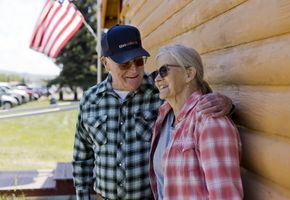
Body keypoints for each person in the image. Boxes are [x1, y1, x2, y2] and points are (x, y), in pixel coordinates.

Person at [72, 24, 233, 200]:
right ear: (105, 63)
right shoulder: (90, 100)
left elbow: (194, 97)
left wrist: (227, 104)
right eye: (124, 64)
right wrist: (82, 195)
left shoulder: (161, 89)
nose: (134, 70)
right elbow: (82, 157)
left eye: (139, 61)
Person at [149, 44, 243, 200]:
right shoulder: (164, 116)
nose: (157, 79)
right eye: (156, 73)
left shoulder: (211, 122)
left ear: (189, 73)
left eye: (164, 71)